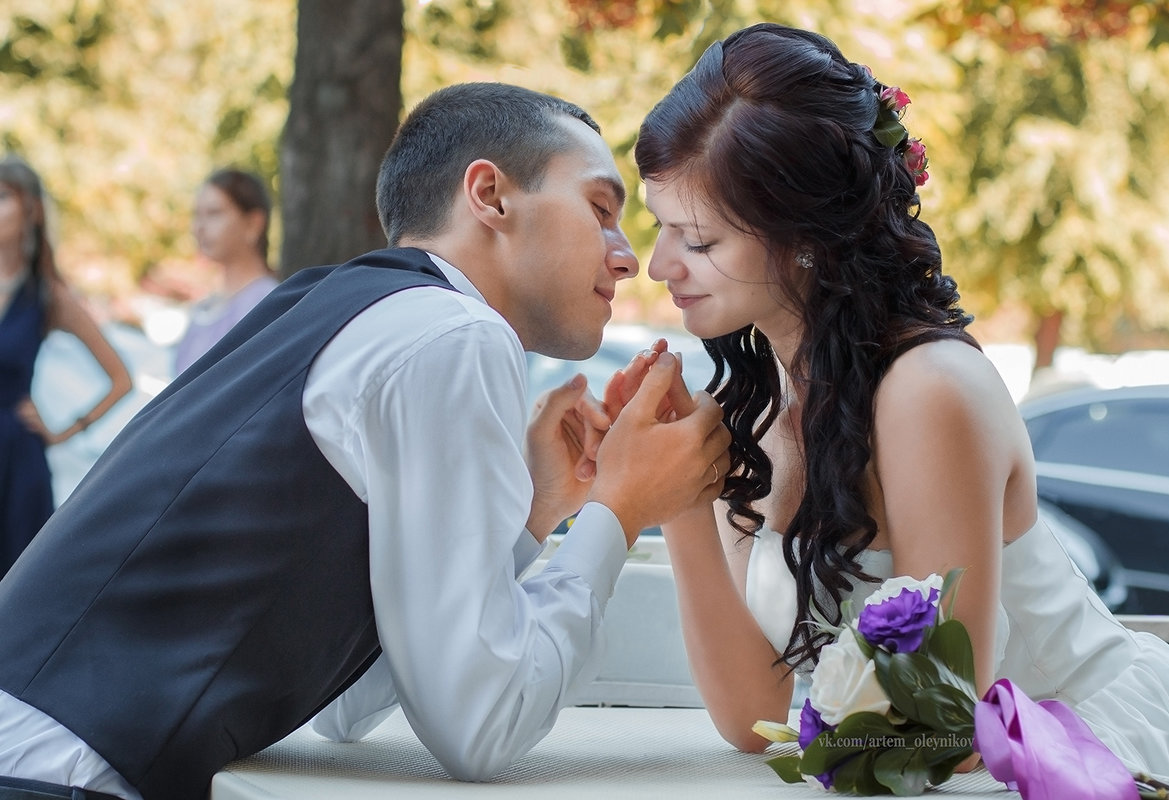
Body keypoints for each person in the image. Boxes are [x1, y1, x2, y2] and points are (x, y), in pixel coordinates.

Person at [0, 83, 732, 800]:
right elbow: (482, 726)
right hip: (51, 775)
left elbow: (343, 706)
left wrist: (536, 511)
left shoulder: (339, 306)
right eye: (602, 209)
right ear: (491, 196)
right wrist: (620, 508)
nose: (626, 257)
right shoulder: (452, 333)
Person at [623, 22, 1169, 781]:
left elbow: (944, 728)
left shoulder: (928, 391)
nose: (659, 264)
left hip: (1080, 754)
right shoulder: (761, 401)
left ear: (805, 238)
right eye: (659, 226)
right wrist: (678, 492)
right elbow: (750, 720)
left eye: (696, 240)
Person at [0, 155, 132, 577]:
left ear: (31, 210)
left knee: (16, 594)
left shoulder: (46, 297)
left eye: (2, 196)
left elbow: (120, 379)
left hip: (17, 462)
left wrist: (65, 431)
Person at [173, 168, 278, 375]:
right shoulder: (205, 307)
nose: (198, 227)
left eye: (214, 213)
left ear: (253, 223)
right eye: (197, 215)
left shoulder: (267, 305)